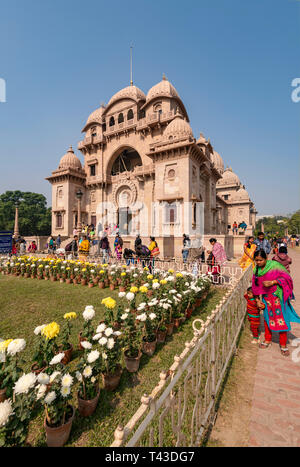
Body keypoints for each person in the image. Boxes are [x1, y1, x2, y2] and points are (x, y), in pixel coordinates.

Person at [252, 250, 300, 356]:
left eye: (260, 260)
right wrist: (258, 300)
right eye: (256, 261)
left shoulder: (274, 265)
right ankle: (267, 340)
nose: (258, 262)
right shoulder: (256, 270)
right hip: (266, 299)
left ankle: (283, 345)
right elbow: (255, 287)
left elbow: (287, 277)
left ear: (266, 258)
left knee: (282, 320)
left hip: (278, 297)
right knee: (267, 319)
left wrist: (273, 282)